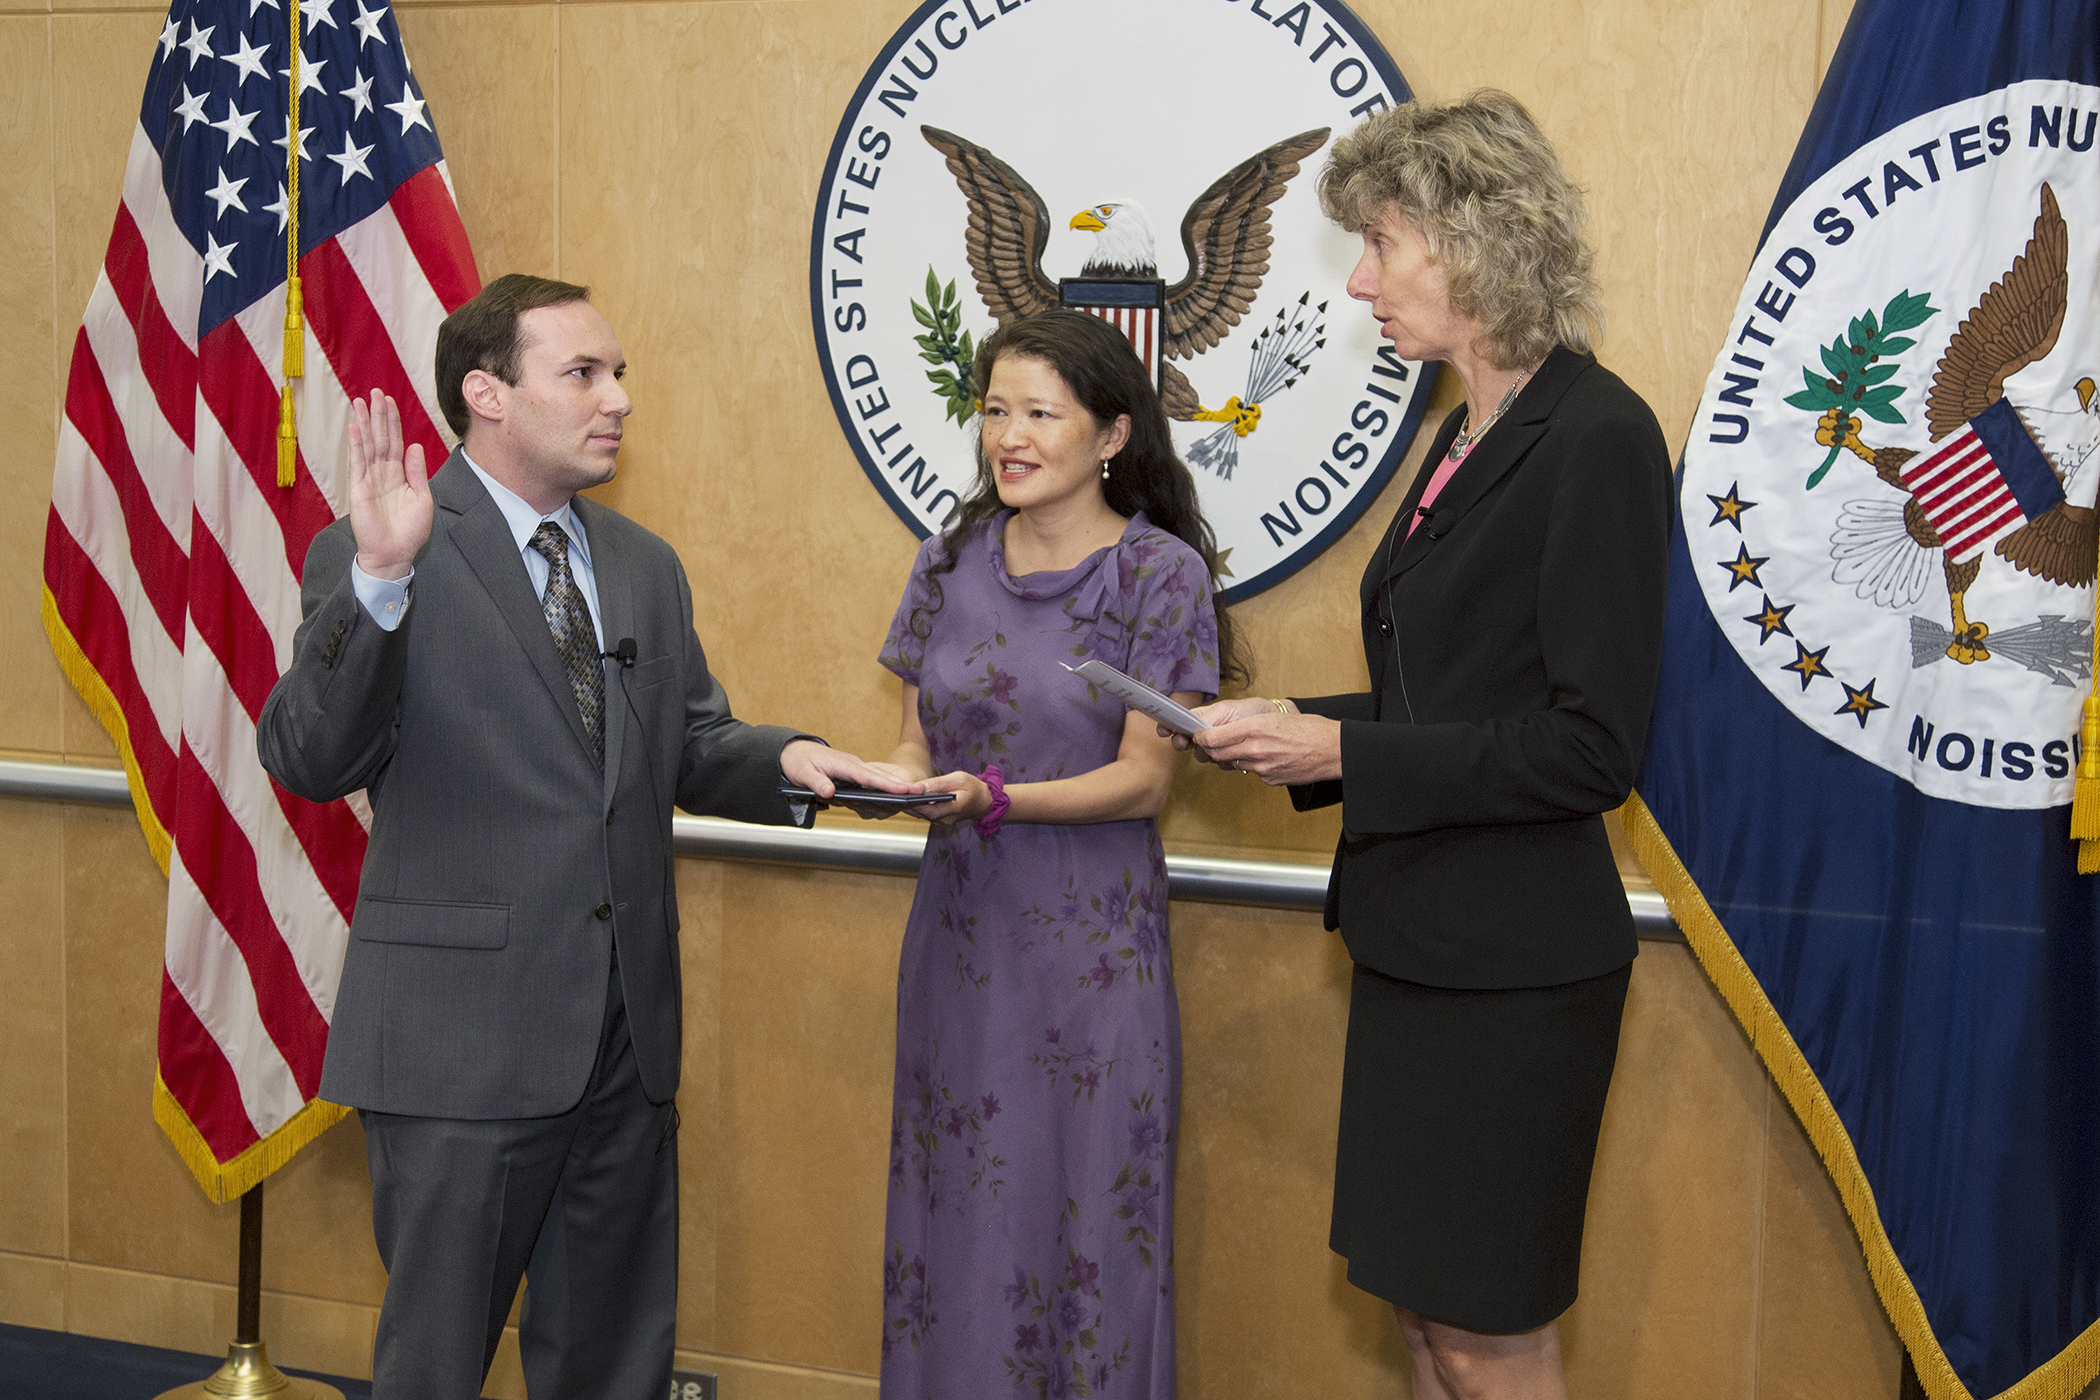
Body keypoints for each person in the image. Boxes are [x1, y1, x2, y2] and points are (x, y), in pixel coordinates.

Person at [256, 274, 905, 1400]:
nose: (619, 399)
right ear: (486, 393)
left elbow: (685, 741)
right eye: (584, 374)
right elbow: (310, 757)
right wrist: (381, 578)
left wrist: (794, 760)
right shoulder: (383, 547)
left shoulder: (643, 565)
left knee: (614, 1361)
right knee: (436, 1360)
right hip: (461, 1045)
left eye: (620, 374)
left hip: (622, 1039)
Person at [1178, 93, 1673, 1400]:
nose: (1361, 281)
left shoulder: (1598, 439)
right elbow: (1450, 693)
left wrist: (1348, 758)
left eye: (1383, 245)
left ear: (1479, 242)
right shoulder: (1464, 430)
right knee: (1421, 1322)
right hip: (1421, 950)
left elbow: (1590, 747)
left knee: (1486, 1333)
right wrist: (1301, 732)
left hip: (1516, 974)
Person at [864, 310, 1233, 1399]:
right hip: (960, 936)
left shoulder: (1160, 575)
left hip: (1089, 952)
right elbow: (915, 734)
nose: (1007, 436)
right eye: (993, 411)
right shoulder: (944, 559)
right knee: (960, 1213)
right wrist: (896, 778)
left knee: (1083, 1214)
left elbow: (1146, 777)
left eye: (1039, 412)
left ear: (1112, 432)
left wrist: (996, 796)